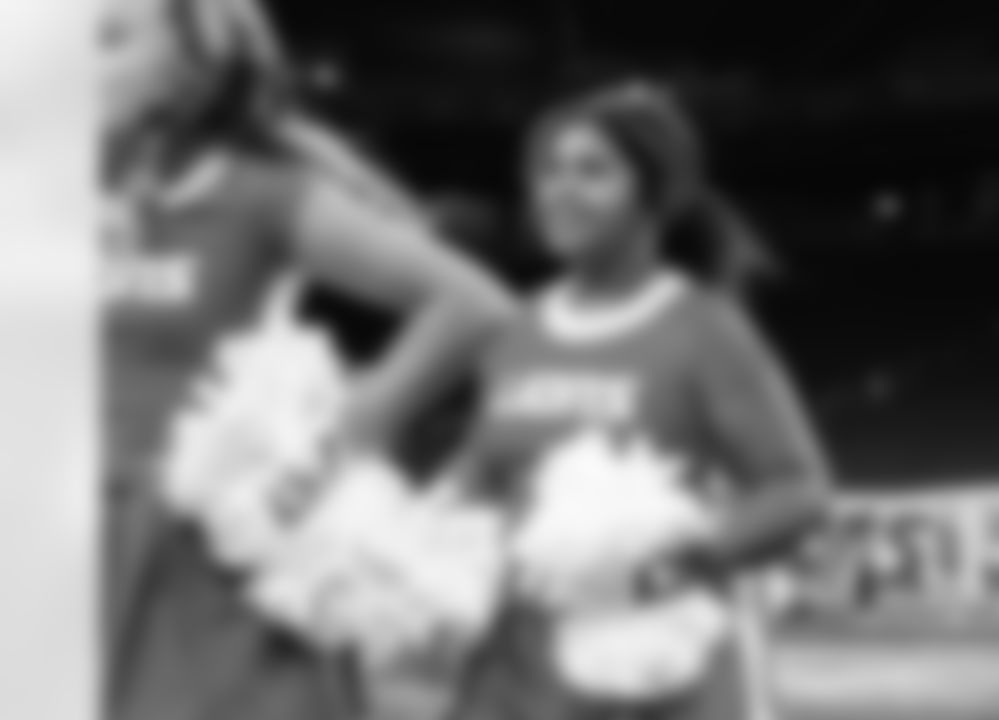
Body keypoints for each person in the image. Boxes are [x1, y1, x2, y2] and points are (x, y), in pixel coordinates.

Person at [100, 0, 515, 719]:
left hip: (199, 552)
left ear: (189, 71)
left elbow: (472, 305)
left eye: (111, 38)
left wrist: (333, 448)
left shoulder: (256, 197)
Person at [447, 81, 833, 720]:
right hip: (516, 666)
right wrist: (418, 539)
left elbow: (798, 490)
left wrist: (662, 568)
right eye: (547, 171)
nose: (560, 190)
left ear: (654, 194)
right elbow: (482, 470)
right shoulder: (513, 332)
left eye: (592, 171)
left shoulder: (703, 328)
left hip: (656, 660)